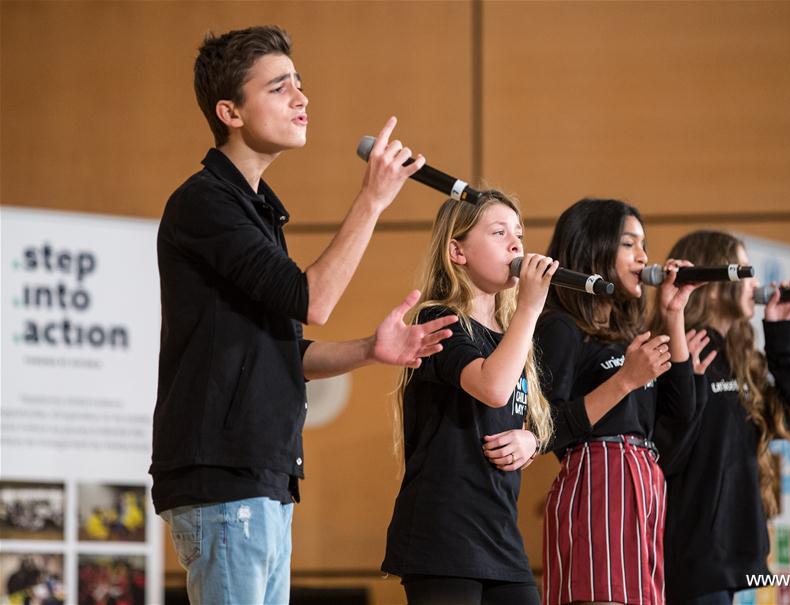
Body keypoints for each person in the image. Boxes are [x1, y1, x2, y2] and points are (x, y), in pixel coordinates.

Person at [149, 25, 456, 604]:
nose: (301, 98)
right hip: (224, 479)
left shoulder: (257, 211)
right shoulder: (205, 202)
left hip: (260, 478)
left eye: (300, 83)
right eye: (279, 87)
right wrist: (372, 200)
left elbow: (290, 351)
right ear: (229, 111)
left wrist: (371, 348)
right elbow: (313, 301)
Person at [381, 191, 557, 605]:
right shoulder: (438, 320)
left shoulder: (513, 335)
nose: (516, 244)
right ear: (457, 251)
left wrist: (530, 441)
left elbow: (526, 415)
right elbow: (493, 388)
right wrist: (530, 309)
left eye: (519, 234)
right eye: (499, 233)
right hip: (445, 536)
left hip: (500, 536)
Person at [535, 198, 701, 605]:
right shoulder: (561, 327)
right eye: (629, 244)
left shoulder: (626, 334)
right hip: (598, 480)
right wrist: (625, 380)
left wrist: (673, 315)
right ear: (593, 247)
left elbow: (679, 414)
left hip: (643, 479)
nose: (644, 257)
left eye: (643, 245)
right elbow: (544, 427)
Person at [652, 230, 790, 605]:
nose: (755, 283)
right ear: (711, 286)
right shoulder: (682, 351)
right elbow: (666, 453)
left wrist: (781, 336)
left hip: (737, 557)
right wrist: (685, 379)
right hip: (693, 563)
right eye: (745, 270)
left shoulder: (738, 357)